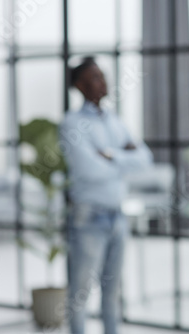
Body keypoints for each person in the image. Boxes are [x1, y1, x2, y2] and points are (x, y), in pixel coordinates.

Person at [59, 57, 153, 334]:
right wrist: (125, 159)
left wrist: (110, 154)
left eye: (103, 75)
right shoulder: (72, 124)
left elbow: (145, 159)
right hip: (88, 218)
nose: (103, 82)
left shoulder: (114, 120)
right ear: (79, 85)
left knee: (112, 293)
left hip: (117, 217)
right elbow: (88, 170)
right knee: (80, 294)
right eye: (95, 77)